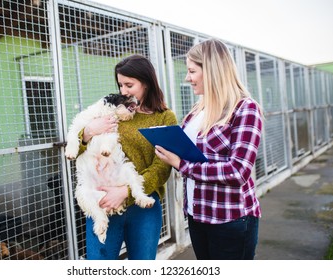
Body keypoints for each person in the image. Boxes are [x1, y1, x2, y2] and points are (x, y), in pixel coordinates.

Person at [155, 39, 263, 260]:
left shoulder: (245, 109)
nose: (187, 78)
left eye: (192, 71)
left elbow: (238, 171)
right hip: (198, 216)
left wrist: (181, 164)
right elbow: (192, 154)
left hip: (230, 219)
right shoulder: (197, 112)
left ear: (212, 70)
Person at [77, 54, 177, 259]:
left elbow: (161, 168)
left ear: (147, 82)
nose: (123, 91)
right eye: (120, 84)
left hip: (144, 204)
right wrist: (87, 132)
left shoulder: (165, 116)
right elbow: (77, 151)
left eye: (129, 85)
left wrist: (126, 191)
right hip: (103, 202)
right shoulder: (112, 108)